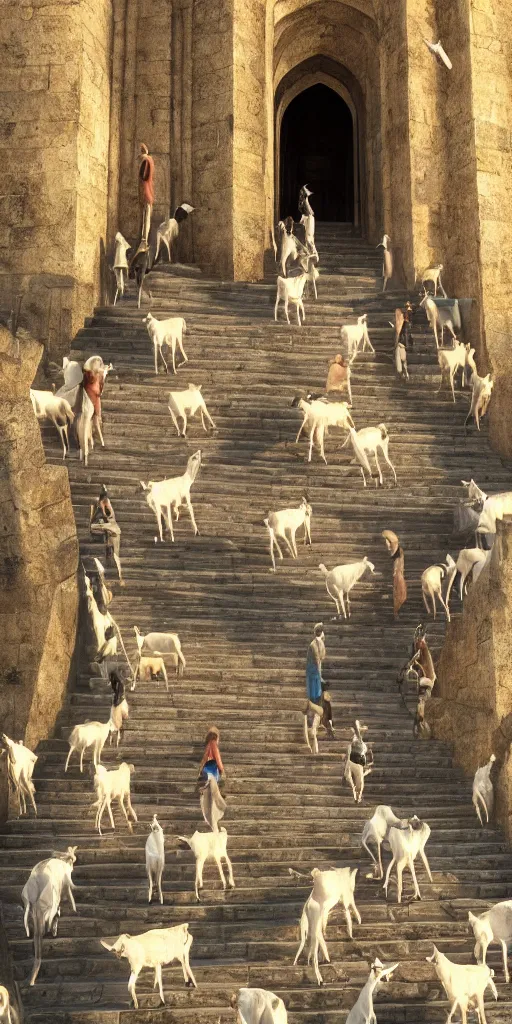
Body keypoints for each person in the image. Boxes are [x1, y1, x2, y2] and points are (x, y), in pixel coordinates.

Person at [90, 484, 124, 583]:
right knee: (109, 554)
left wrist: (100, 512)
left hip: (111, 528)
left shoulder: (104, 502)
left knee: (115, 556)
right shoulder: (102, 502)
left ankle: (120, 577)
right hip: (107, 530)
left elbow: (108, 514)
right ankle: (108, 577)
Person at [381, 530, 407, 619]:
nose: (387, 544)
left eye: (388, 542)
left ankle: (397, 611)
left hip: (399, 574)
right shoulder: (395, 551)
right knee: (398, 593)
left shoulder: (398, 551)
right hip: (397, 575)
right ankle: (396, 612)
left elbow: (399, 562)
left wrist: (397, 570)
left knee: (401, 593)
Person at [138, 143, 155, 246]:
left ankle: (144, 241)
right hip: (146, 193)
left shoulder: (146, 161)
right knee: (145, 217)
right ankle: (143, 241)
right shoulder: (148, 160)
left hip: (145, 193)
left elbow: (144, 177)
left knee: (146, 217)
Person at [306, 623, 326, 703]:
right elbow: (320, 658)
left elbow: (319, 658)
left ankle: (314, 701)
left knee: (314, 688)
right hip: (313, 668)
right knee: (315, 687)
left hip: (313, 668)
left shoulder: (314, 644)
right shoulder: (317, 644)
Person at [109, 669, 129, 738]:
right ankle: (116, 729)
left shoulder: (120, 683)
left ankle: (117, 729)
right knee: (115, 716)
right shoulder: (119, 683)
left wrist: (117, 701)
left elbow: (119, 694)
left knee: (117, 716)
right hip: (118, 702)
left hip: (119, 702)